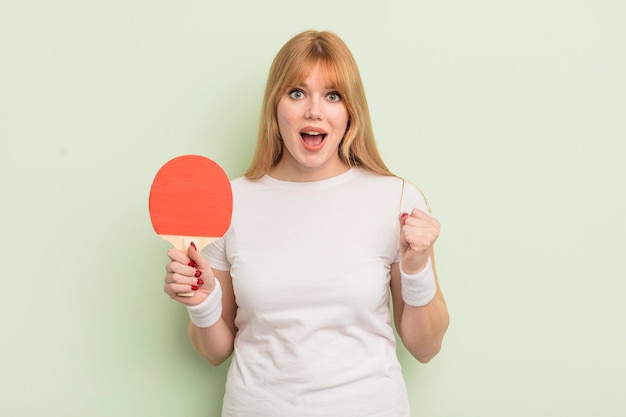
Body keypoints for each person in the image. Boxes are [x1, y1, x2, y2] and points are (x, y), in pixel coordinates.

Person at [163, 30, 449, 417]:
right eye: (297, 93)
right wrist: (202, 302)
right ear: (275, 106)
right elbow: (214, 352)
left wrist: (416, 271)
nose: (314, 110)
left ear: (350, 112)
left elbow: (425, 347)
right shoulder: (228, 203)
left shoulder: (395, 200)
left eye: (333, 95)